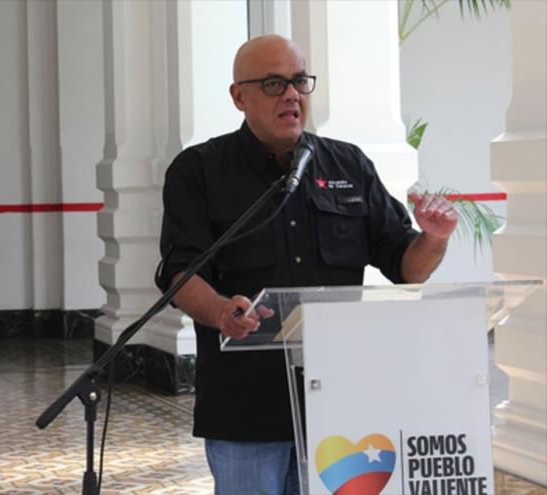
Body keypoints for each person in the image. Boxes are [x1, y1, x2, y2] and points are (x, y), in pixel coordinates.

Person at [155, 35, 458, 494]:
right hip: (246, 406)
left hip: (340, 408)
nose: (292, 95)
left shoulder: (348, 164)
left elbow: (407, 264)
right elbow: (180, 273)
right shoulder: (198, 171)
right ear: (240, 96)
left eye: (299, 81)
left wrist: (433, 239)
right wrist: (221, 311)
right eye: (274, 83)